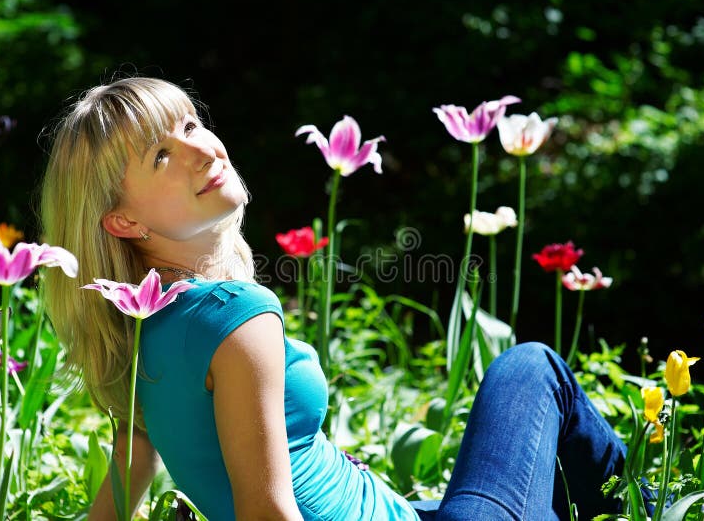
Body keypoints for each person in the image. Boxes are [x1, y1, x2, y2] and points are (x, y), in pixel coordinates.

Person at [39, 76, 628, 520]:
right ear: (121, 222)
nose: (202, 149)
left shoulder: (138, 327)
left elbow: (121, 482)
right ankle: (652, 504)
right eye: (161, 156)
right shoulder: (237, 322)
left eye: (191, 125)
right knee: (531, 368)